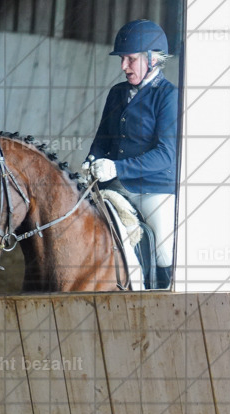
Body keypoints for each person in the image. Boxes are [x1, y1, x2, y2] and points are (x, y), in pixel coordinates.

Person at [85, 19, 178, 290]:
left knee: (164, 250)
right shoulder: (117, 93)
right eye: (122, 59)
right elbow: (102, 139)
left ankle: (163, 296)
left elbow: (166, 155)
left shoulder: (168, 96)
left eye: (131, 59)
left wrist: (117, 168)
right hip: (114, 185)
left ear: (153, 59)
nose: (124, 66)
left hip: (153, 188)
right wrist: (91, 160)